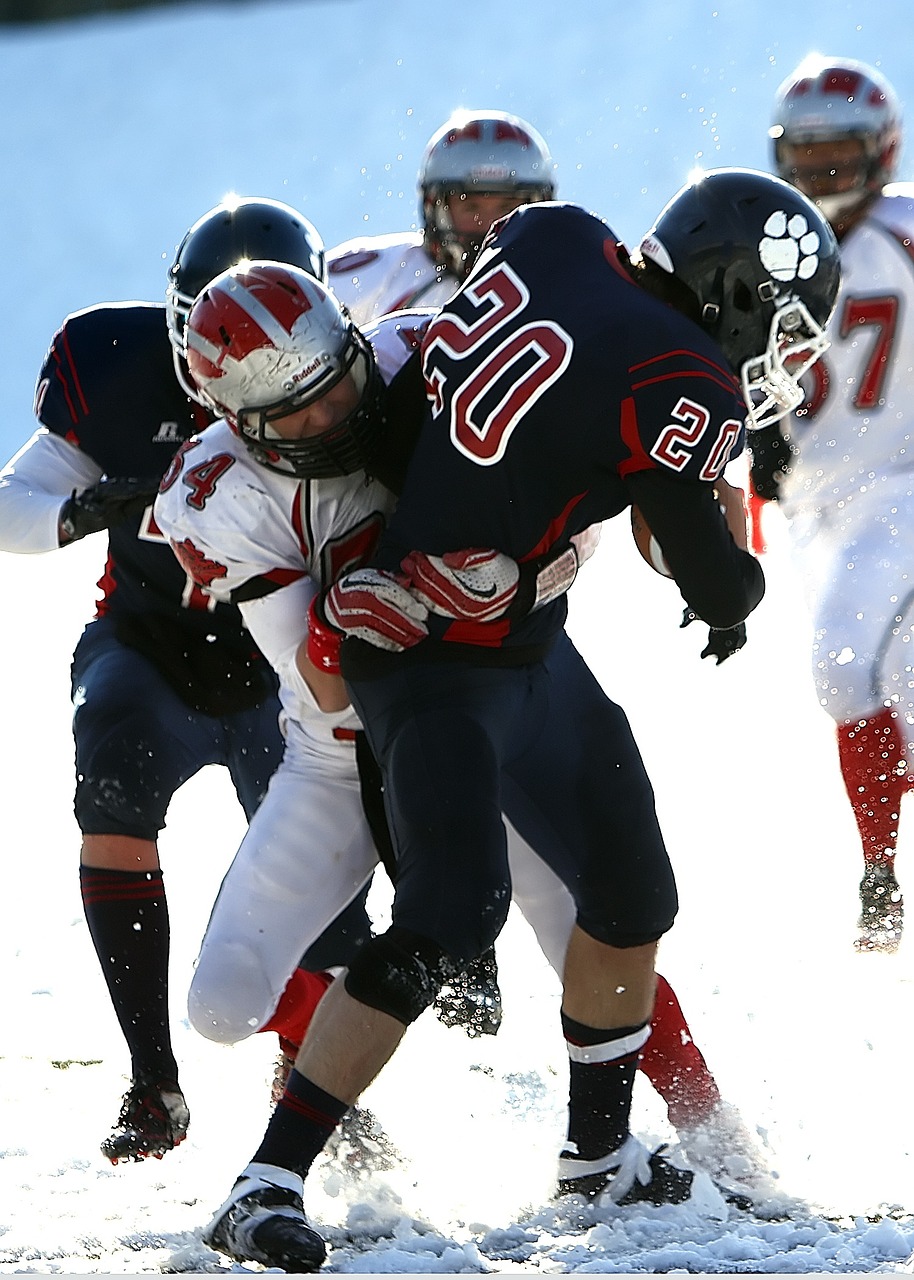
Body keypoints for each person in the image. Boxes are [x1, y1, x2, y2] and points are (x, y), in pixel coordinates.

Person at [185, 168, 838, 1270]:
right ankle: (265, 1178)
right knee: (449, 911)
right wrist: (736, 572)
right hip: (431, 659)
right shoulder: (681, 373)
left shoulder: (553, 235)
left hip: (526, 648)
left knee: (632, 893)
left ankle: (595, 1158)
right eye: (778, 324)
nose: (778, 353)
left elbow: (445, 396)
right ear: (732, 295)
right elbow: (715, 585)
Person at [326, 105, 744, 1125]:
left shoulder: (552, 287)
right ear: (431, 203)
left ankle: (691, 1120)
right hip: (361, 620)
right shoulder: (360, 289)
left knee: (595, 898)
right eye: (468, 196)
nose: (485, 215)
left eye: (507, 200)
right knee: (350, 909)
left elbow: (589, 492)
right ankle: (301, 1132)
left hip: (501, 626)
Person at [0, 195, 372, 1165]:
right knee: (111, 786)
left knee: (323, 874)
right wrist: (90, 508)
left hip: (282, 662)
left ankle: (310, 1073)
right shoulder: (117, 372)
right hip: (153, 642)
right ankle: (152, 1077)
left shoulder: (358, 376)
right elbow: (13, 504)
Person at [752, 55, 911, 953]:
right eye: (805, 159)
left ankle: (878, 884)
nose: (818, 177)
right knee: (897, 704)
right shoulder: (760, 238)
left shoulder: (905, 227)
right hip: (812, 512)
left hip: (902, 488)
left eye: (836, 158)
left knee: (841, 669)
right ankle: (886, 882)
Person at [326, 107, 556, 326]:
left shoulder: (565, 286)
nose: (490, 225)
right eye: (471, 207)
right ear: (435, 208)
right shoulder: (376, 276)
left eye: (506, 207)